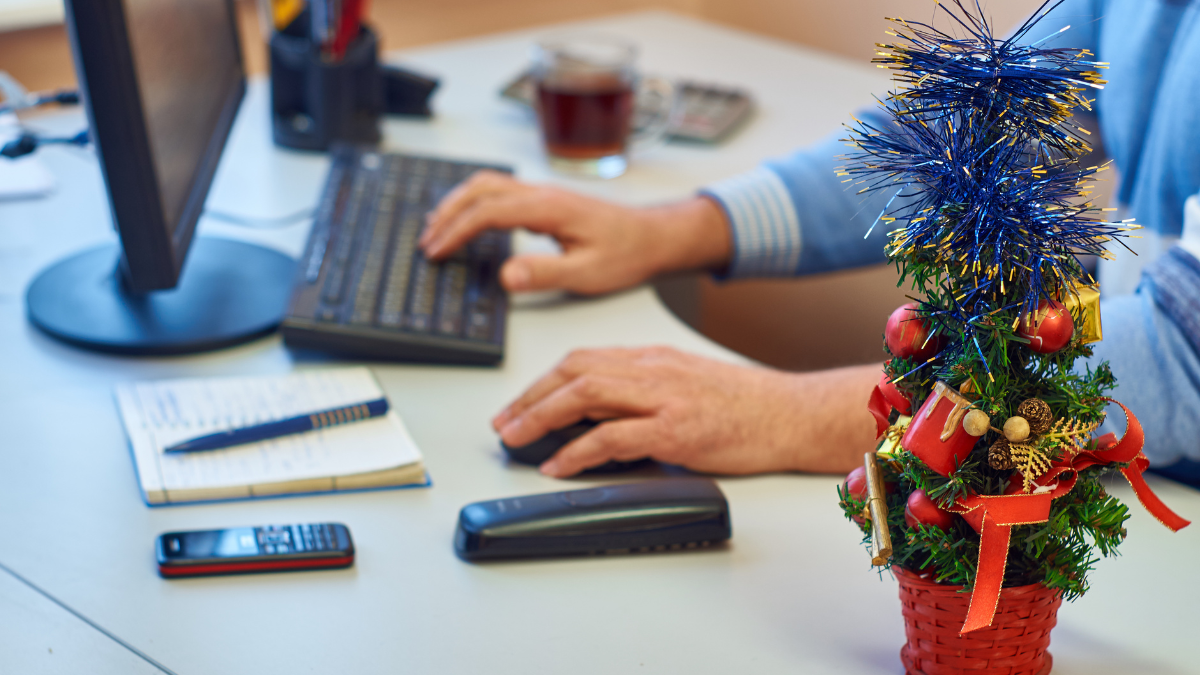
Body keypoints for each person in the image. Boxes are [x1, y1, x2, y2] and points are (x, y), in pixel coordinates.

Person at [420, 0, 1200, 483]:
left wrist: (783, 412)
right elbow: (960, 145)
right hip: (1121, 450)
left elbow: (1184, 353)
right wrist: (676, 227)